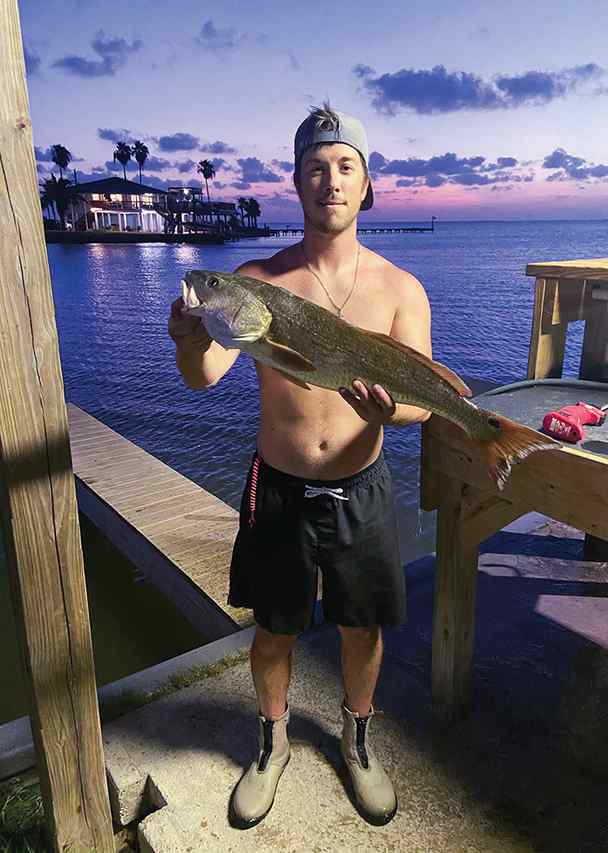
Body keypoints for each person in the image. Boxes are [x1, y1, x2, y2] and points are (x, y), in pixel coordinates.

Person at [168, 102, 432, 828]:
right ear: (297, 181)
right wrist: (190, 338)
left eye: (345, 166)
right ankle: (272, 742)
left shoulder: (402, 289)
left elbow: (420, 405)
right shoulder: (254, 280)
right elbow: (203, 374)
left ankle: (358, 740)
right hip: (278, 487)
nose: (330, 180)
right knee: (274, 628)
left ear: (367, 183)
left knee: (362, 628)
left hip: (364, 486)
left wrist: (391, 412)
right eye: (315, 168)